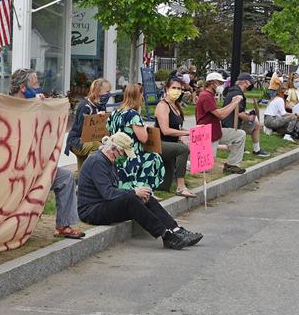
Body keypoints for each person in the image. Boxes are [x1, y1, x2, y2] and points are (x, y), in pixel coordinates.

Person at [77, 132, 202, 250]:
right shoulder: (97, 162)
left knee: (145, 197)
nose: (125, 158)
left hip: (104, 204)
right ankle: (166, 235)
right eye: (124, 154)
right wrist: (134, 192)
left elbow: (114, 191)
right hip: (92, 210)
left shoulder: (110, 161)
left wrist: (137, 193)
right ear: (113, 149)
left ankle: (176, 230)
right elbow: (108, 193)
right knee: (132, 199)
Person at [11, 68, 86, 239]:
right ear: (23, 87)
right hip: (15, 171)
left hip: (36, 167)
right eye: (35, 83)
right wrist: (34, 106)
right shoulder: (11, 107)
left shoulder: (36, 105)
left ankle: (63, 225)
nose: (38, 87)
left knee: (65, 177)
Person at [106, 83, 165, 190]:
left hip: (115, 152)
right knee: (154, 157)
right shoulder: (133, 115)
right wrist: (145, 128)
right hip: (129, 154)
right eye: (142, 95)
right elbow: (143, 138)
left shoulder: (115, 112)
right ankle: (145, 189)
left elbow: (108, 129)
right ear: (139, 96)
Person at [196, 72, 247, 174]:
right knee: (204, 167)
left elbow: (220, 112)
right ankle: (184, 163)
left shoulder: (209, 95)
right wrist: (235, 103)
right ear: (212, 83)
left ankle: (232, 164)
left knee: (240, 135)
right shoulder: (206, 96)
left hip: (215, 132)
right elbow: (221, 115)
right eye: (219, 83)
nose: (221, 85)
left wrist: (233, 103)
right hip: (206, 134)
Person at [155, 77, 195, 197]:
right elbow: (165, 130)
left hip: (171, 145)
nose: (176, 91)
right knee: (183, 149)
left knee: (164, 186)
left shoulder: (176, 106)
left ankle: (170, 179)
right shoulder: (163, 105)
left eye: (179, 88)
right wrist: (187, 133)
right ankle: (181, 187)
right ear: (167, 89)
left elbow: (177, 128)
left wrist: (193, 131)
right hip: (160, 143)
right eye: (174, 88)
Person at [65, 78, 112, 170]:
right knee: (97, 147)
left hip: (88, 141)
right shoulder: (84, 106)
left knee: (81, 171)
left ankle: (76, 179)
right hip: (76, 141)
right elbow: (83, 129)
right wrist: (95, 118)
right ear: (98, 91)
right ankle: (90, 173)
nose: (109, 94)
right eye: (107, 91)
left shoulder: (101, 106)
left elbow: (103, 129)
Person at [222, 72, 270, 157]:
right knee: (256, 124)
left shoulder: (234, 90)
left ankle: (246, 148)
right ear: (244, 82)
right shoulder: (238, 94)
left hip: (228, 122)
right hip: (232, 124)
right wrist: (250, 118)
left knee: (255, 122)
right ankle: (256, 149)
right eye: (250, 82)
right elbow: (239, 113)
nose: (251, 84)